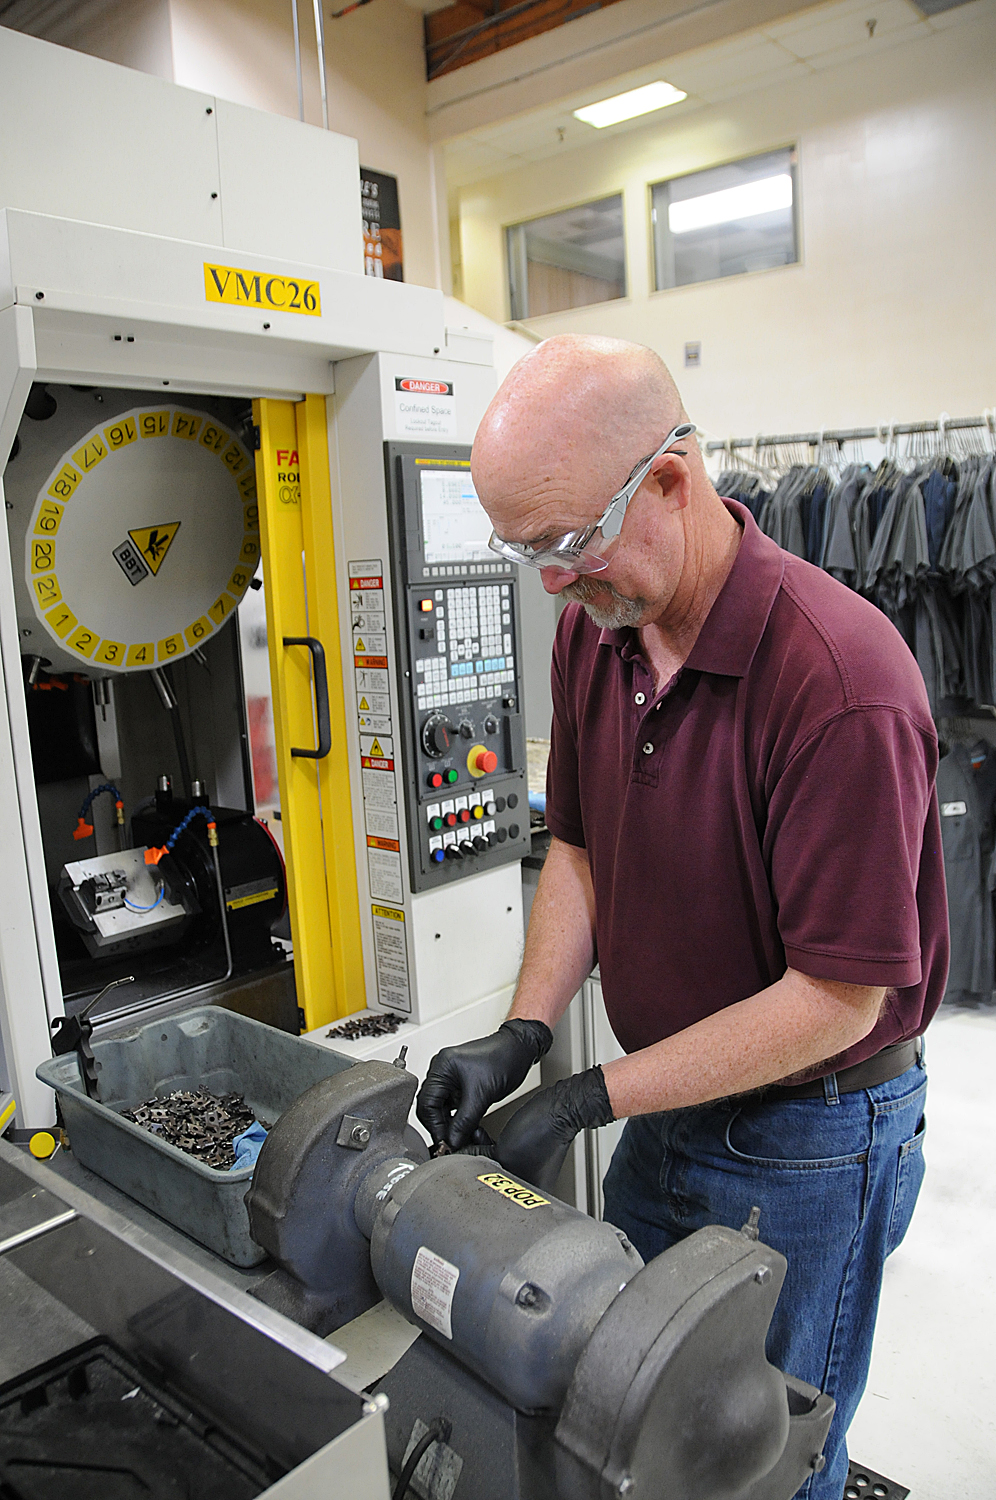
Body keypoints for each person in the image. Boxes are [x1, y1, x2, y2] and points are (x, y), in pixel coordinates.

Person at [416, 335, 947, 1499]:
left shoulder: (842, 682)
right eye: (526, 551)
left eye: (565, 543)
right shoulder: (596, 628)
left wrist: (585, 1099)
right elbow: (580, 845)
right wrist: (528, 1030)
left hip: (809, 1134)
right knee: (628, 1418)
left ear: (670, 479)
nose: (551, 579)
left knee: (754, 1453)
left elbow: (835, 999)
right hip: (668, 1098)